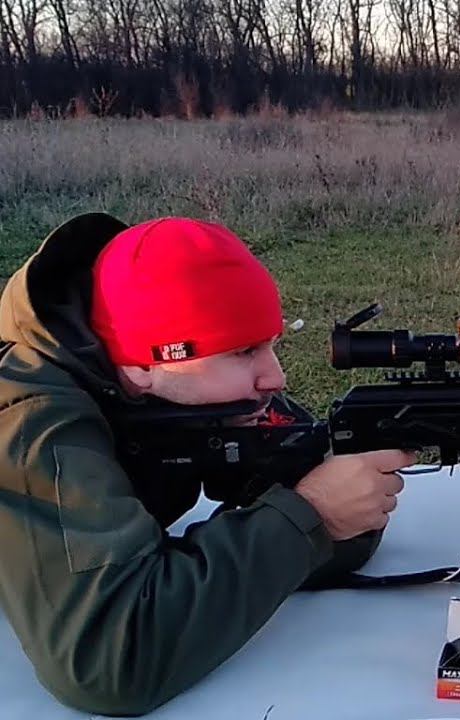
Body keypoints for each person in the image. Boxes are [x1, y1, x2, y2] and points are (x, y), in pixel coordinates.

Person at [0, 212, 416, 716]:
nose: (275, 378)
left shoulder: (194, 397)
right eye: (242, 352)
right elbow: (109, 663)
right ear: (143, 364)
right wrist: (312, 514)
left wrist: (328, 500)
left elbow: (331, 527)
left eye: (271, 345)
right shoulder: (33, 427)